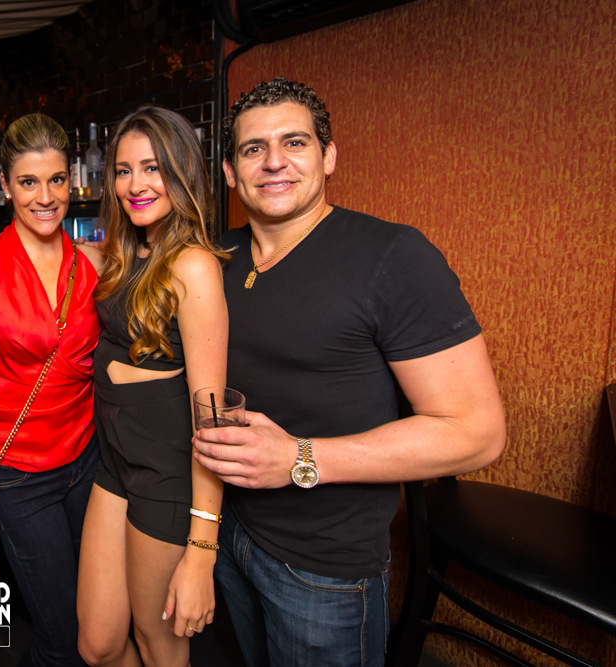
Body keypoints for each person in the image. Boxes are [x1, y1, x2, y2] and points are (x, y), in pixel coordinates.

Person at [192, 77, 507, 666]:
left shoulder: (393, 256)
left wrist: (299, 459)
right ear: (231, 173)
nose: (274, 161)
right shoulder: (215, 258)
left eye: (295, 142)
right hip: (229, 532)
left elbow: (476, 433)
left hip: (322, 567)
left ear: (329, 156)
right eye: (254, 148)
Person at [77, 106, 230, 667]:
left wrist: (201, 552)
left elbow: (211, 416)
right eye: (123, 170)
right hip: (115, 464)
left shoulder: (193, 265)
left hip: (167, 477)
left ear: (182, 171)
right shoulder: (125, 254)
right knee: (97, 646)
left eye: (152, 168)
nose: (135, 184)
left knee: (158, 646)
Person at [0, 113, 103, 667]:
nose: (45, 197)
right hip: (18, 473)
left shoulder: (93, 260)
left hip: (90, 463)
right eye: (28, 182)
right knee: (62, 640)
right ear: (5, 184)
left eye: (57, 180)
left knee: (100, 624)